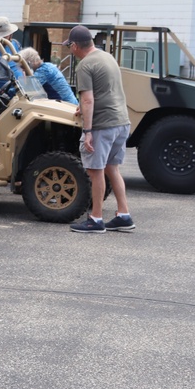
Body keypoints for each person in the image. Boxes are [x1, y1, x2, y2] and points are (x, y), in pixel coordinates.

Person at [64, 25, 134, 233]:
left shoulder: (84, 65)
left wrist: (87, 132)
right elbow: (106, 90)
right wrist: (83, 107)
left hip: (103, 125)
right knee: (112, 168)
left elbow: (88, 99)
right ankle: (124, 215)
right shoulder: (107, 57)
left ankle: (96, 219)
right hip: (121, 122)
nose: (70, 50)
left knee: (95, 172)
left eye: (70, 46)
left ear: (75, 46)